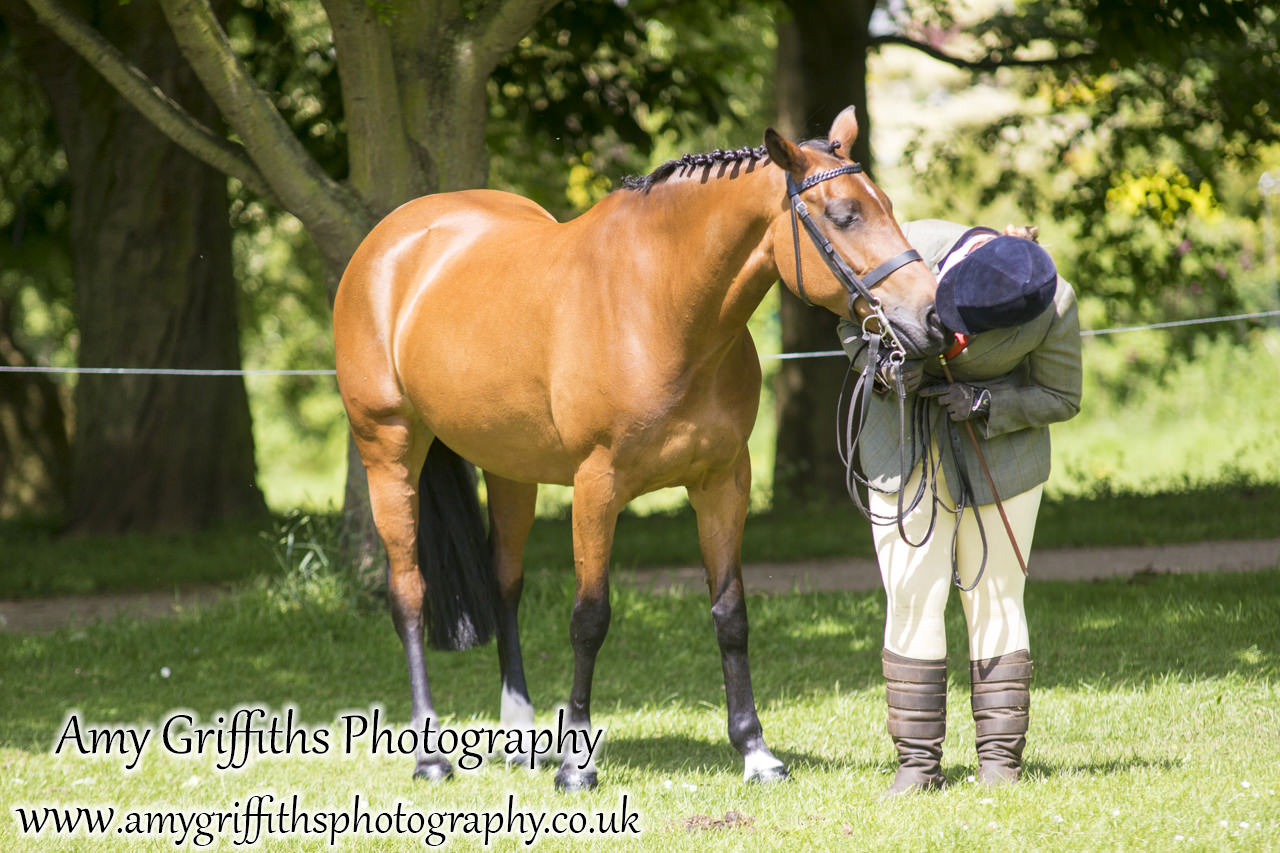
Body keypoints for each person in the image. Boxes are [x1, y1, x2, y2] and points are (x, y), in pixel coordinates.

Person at [837, 220, 1083, 794]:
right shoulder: (906, 246)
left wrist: (986, 401)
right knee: (912, 595)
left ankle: (1000, 766)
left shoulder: (1056, 300)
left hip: (1002, 453)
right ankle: (917, 768)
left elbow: (1063, 395)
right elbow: (849, 319)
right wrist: (881, 368)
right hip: (898, 438)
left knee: (996, 595)